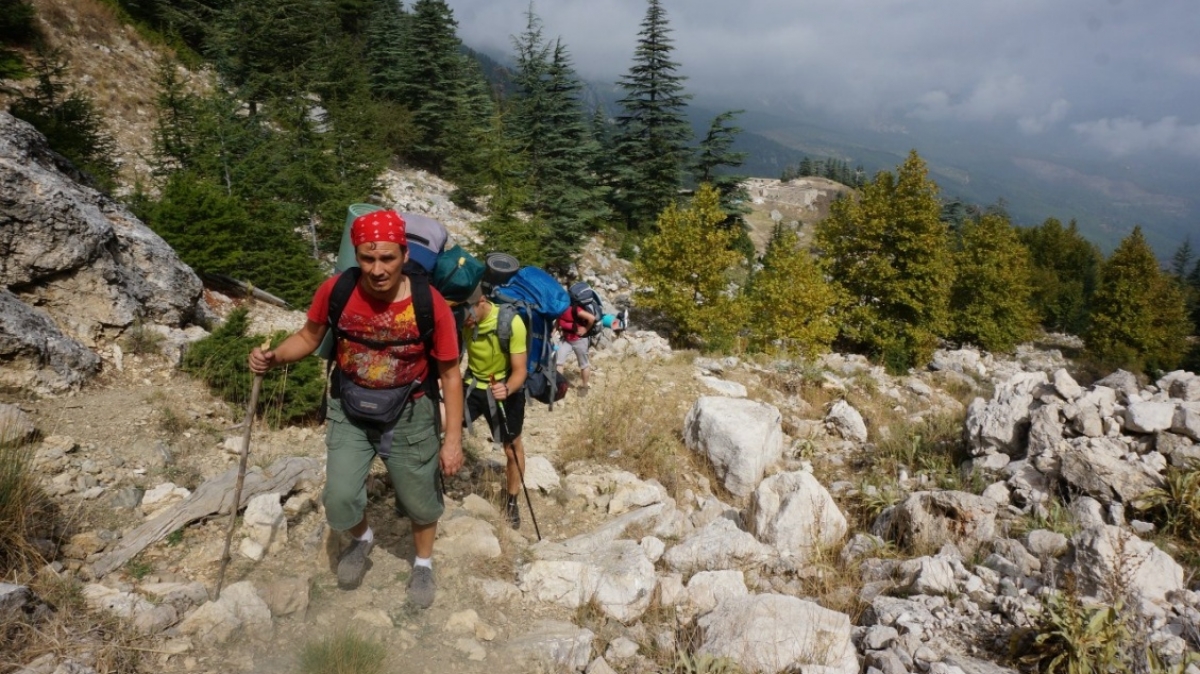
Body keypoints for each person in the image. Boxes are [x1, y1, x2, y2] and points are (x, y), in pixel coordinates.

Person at [248, 209, 464, 608]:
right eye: (367, 258)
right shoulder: (337, 290)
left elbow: (450, 375)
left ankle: (422, 564)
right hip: (349, 405)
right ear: (356, 255)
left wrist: (452, 440)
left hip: (410, 410)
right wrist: (274, 357)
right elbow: (308, 337)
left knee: (419, 500)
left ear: (404, 255)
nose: (377, 269)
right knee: (340, 496)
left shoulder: (428, 303)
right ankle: (363, 539)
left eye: (387, 258)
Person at [460, 285, 528, 529]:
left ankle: (511, 501)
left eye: (467, 314)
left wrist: (507, 388)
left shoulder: (512, 323)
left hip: (504, 387)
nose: (465, 321)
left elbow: (520, 370)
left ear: (481, 301)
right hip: (472, 385)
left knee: (511, 448)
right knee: (440, 423)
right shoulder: (461, 320)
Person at [556, 303, 596, 394]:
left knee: (584, 364)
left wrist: (585, 329)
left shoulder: (574, 309)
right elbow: (558, 320)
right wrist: (554, 331)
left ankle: (584, 386)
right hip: (566, 339)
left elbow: (592, 318)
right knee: (558, 362)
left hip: (580, 340)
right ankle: (559, 387)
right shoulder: (559, 308)